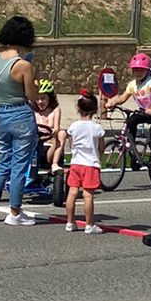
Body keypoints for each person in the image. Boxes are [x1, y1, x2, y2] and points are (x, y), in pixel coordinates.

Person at [0, 16, 42, 225]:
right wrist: (37, 84)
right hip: (20, 113)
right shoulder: (22, 65)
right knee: (20, 165)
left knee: (4, 161)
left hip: (1, 112)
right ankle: (14, 211)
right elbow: (32, 95)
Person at [104, 53, 151, 185]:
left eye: (141, 70)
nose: (138, 72)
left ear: (147, 70)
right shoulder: (132, 85)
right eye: (135, 70)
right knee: (130, 122)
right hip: (144, 112)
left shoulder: (150, 83)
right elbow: (122, 98)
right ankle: (133, 153)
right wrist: (113, 102)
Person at [63, 92, 105, 235]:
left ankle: (70, 222)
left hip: (76, 163)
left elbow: (71, 143)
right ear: (95, 110)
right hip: (90, 164)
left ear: (78, 109)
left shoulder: (74, 126)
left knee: (72, 193)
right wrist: (99, 156)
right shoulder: (97, 128)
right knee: (88, 195)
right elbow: (101, 147)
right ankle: (89, 224)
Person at [34, 80, 65, 174]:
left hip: (51, 146)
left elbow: (56, 128)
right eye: (37, 98)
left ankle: (54, 164)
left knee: (62, 133)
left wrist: (52, 133)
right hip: (36, 146)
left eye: (43, 98)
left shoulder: (55, 110)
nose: (40, 101)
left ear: (49, 98)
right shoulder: (33, 111)